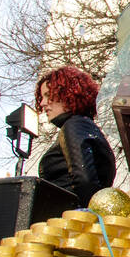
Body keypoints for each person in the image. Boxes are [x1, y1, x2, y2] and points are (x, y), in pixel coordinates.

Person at [34, 66, 116, 207]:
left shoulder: (74, 125)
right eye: (42, 97)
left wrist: (83, 219)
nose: (42, 103)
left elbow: (85, 181)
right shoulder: (85, 127)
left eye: (48, 95)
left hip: (68, 221)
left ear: (68, 94)